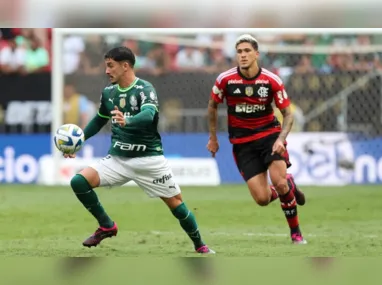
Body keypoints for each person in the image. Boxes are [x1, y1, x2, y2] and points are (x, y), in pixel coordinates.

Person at [64, 46, 214, 254]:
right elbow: (100, 119)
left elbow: (149, 114)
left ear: (125, 66)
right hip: (118, 159)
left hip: (149, 159)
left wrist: (128, 120)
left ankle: (200, 245)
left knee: (176, 205)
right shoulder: (108, 92)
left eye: (110, 66)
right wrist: (78, 141)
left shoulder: (145, 89)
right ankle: (107, 225)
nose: (107, 71)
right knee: (78, 181)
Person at [207, 34, 307, 244]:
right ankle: (289, 184)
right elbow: (212, 106)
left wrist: (281, 139)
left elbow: (287, 114)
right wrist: (213, 137)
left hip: (269, 137)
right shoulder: (225, 79)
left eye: (247, 51)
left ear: (256, 54)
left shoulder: (271, 80)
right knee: (262, 199)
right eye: (239, 52)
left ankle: (296, 233)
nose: (242, 55)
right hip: (242, 144)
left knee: (278, 183)